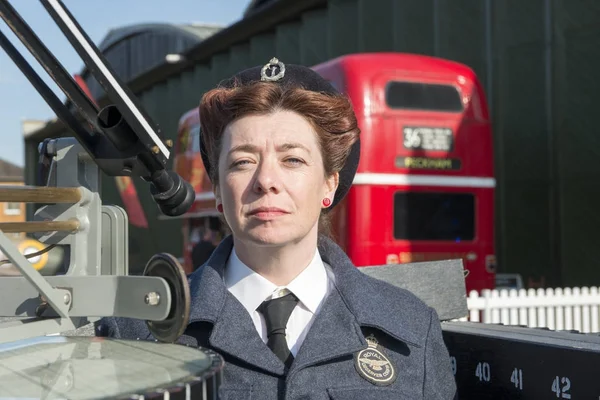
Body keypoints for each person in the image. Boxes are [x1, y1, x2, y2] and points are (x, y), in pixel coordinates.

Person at [96, 57, 457, 399]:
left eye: (293, 159)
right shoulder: (137, 332)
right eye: (243, 161)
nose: (266, 180)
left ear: (329, 184)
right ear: (219, 189)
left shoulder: (411, 329)